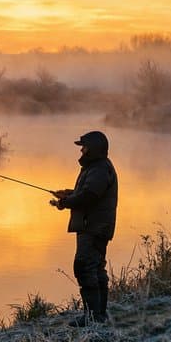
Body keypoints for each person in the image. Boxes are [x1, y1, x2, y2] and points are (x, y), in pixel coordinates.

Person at [50, 130, 118, 326]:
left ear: (93, 149)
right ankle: (98, 315)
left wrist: (66, 202)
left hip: (94, 227)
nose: (81, 149)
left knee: (85, 267)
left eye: (84, 146)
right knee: (94, 267)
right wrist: (68, 194)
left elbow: (89, 197)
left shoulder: (98, 169)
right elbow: (86, 192)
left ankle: (93, 317)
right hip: (94, 226)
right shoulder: (96, 167)